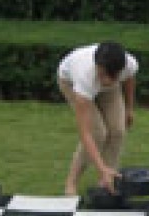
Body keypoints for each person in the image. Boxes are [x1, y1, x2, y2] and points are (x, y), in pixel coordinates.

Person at [57, 42, 138, 195]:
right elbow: (85, 133)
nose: (104, 80)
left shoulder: (129, 64)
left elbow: (129, 79)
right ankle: (71, 182)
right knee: (97, 134)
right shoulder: (84, 76)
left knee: (118, 131)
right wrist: (100, 168)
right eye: (101, 74)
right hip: (71, 83)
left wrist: (129, 108)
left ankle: (107, 182)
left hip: (111, 90)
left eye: (108, 76)